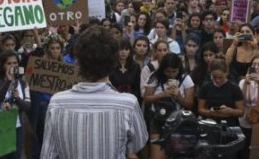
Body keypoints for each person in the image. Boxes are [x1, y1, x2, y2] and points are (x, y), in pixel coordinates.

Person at [41, 25, 148, 159]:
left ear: (78, 62)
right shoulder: (128, 104)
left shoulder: (57, 102)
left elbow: (48, 154)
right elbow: (135, 145)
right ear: (113, 62)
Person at [145, 53, 195, 159]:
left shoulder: (186, 79)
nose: (171, 74)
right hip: (158, 119)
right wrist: (163, 94)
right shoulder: (154, 77)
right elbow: (147, 99)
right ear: (163, 69)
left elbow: (190, 104)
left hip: (178, 121)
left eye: (174, 71)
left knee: (177, 154)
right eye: (168, 71)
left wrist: (179, 97)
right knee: (157, 156)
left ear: (179, 69)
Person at [0, 51, 30, 159]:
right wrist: (7, 82)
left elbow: (27, 107)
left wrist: (17, 99)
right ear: (3, 65)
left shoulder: (22, 82)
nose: (12, 66)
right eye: (9, 63)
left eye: (15, 63)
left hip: (17, 127)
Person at [197, 58, 244, 127]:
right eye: (214, 77)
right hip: (211, 123)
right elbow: (200, 109)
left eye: (220, 77)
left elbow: (241, 112)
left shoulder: (234, 88)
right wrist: (210, 112)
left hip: (230, 124)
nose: (217, 80)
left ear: (226, 73)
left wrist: (229, 111)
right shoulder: (206, 87)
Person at [238, 55, 259, 159]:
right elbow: (241, 101)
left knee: (257, 150)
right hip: (244, 120)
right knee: (244, 150)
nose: (256, 67)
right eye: (254, 64)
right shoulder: (243, 81)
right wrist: (246, 84)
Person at [110, 39, 142, 104]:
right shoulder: (110, 66)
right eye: (121, 49)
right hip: (114, 101)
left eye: (126, 49)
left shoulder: (136, 67)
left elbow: (137, 88)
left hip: (130, 101)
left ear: (130, 51)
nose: (123, 52)